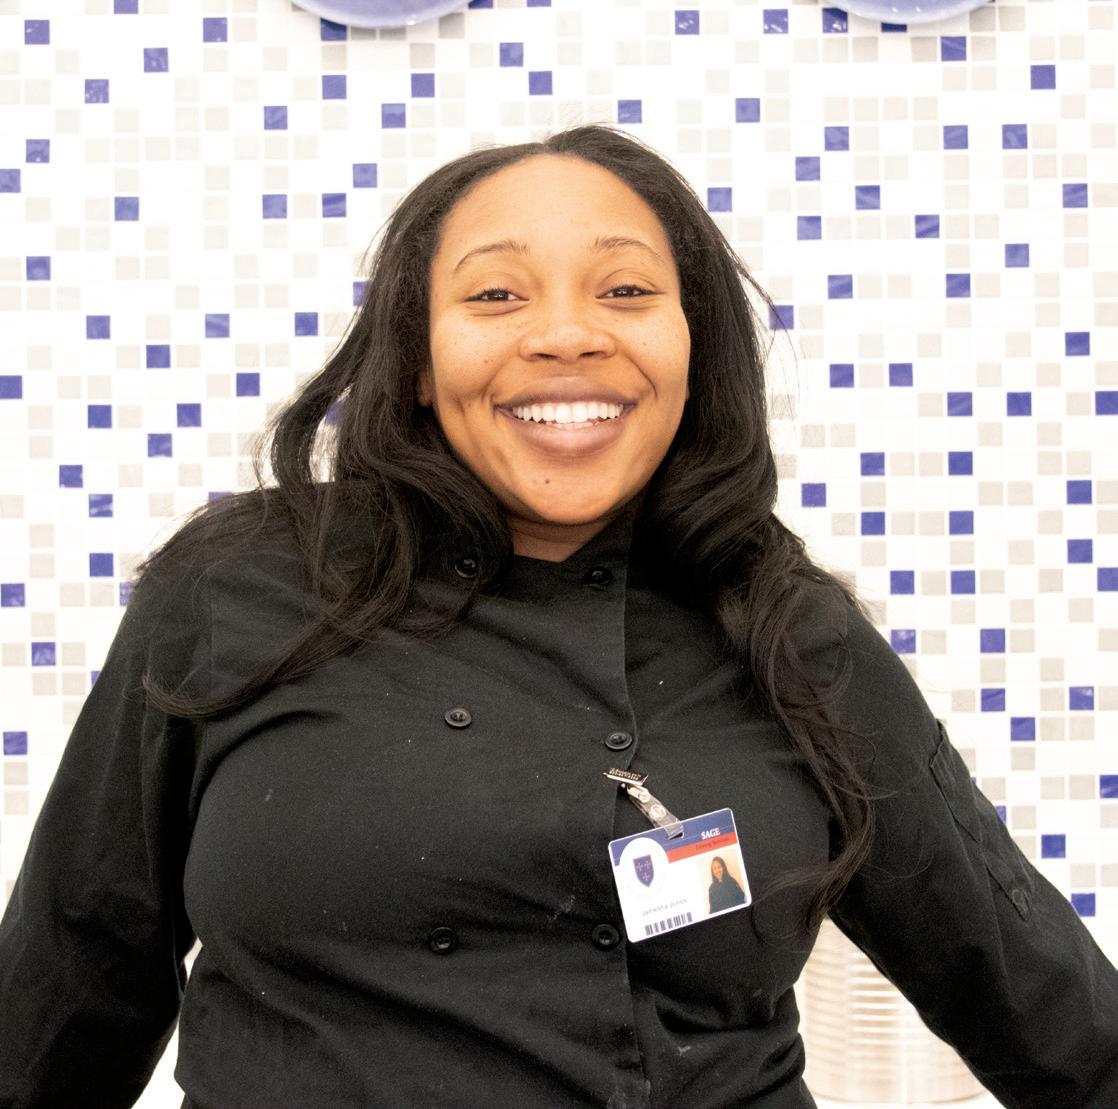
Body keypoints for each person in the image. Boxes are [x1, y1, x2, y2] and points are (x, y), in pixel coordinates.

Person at [1, 123, 1116, 1109]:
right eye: (496, 295)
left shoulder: (786, 626)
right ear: (419, 359)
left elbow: (1045, 1007)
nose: (567, 334)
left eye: (625, 291)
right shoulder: (237, 585)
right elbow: (71, 984)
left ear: (692, 349)